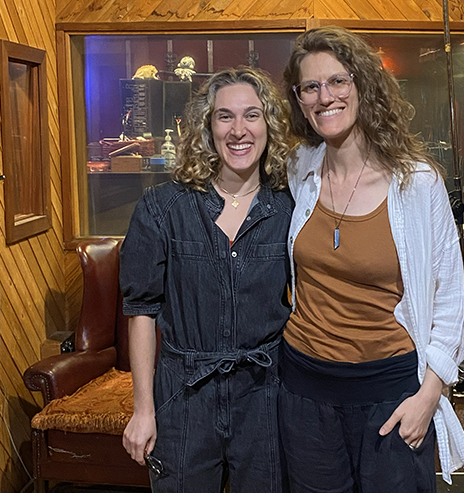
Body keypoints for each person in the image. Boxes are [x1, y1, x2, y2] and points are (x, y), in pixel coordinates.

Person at [279, 26, 464, 492]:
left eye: (338, 81)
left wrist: (430, 394)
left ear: (362, 84)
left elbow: (450, 297)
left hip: (390, 393)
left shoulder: (417, 183)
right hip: (305, 389)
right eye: (311, 86)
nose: (325, 96)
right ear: (300, 99)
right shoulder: (298, 168)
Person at [119, 67, 294, 492]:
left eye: (252, 115)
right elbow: (141, 311)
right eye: (225, 116)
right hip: (184, 396)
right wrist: (144, 409)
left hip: (266, 395)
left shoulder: (292, 208)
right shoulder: (163, 208)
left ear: (269, 125)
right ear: (207, 126)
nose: (239, 130)